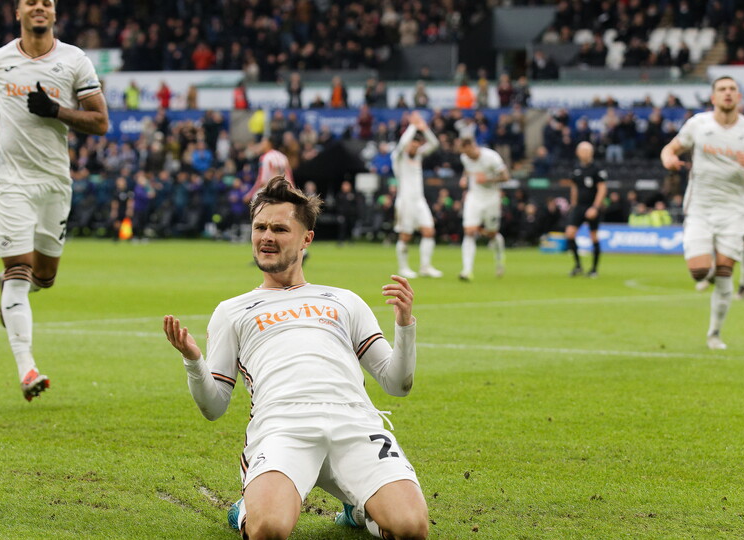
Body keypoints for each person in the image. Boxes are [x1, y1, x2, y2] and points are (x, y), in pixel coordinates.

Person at [163, 177, 428, 540]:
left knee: (411, 529)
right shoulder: (232, 311)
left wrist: (404, 325)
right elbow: (214, 407)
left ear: (307, 238)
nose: (266, 236)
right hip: (282, 426)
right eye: (260, 227)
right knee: (269, 530)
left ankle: (358, 509)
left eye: (279, 228)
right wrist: (194, 360)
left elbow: (397, 385)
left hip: (354, 422)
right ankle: (246, 510)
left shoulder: (343, 300)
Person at [0, 0, 109, 400]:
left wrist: (57, 111)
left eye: (46, 2)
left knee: (44, 276)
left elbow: (101, 121)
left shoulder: (74, 61)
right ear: (18, 11)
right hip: (10, 178)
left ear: (55, 12)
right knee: (19, 271)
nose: (39, 8)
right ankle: (27, 369)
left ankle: (11, 289)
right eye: (32, 2)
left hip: (54, 181)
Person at [661, 76, 744, 350]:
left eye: (732, 89)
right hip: (700, 206)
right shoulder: (698, 124)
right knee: (700, 272)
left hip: (735, 209)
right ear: (713, 97)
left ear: (739, 97)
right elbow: (671, 148)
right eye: (722, 89)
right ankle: (712, 273)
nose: (727, 93)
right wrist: (668, 159)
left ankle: (714, 333)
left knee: (725, 272)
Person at [390, 111, 444, 279]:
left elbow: (434, 144)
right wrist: (413, 126)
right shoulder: (398, 157)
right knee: (406, 235)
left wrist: (424, 127)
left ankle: (425, 267)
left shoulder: (419, 156)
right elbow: (401, 144)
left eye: (416, 144)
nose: (414, 146)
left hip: (419, 200)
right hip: (405, 201)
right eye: (412, 144)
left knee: (429, 231)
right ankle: (403, 267)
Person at [457, 137, 510, 280]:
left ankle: (500, 261)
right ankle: (466, 271)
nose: (466, 155)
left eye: (467, 152)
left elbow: (506, 177)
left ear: (473, 146)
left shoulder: (491, 157)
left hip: (491, 198)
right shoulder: (465, 158)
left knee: (492, 234)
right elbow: (468, 170)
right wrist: (464, 178)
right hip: (474, 197)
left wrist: (487, 179)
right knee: (469, 231)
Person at [560, 141, 607, 278]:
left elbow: (602, 188)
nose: (584, 153)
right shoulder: (576, 169)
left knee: (593, 236)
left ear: (591, 152)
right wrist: (573, 204)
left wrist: (595, 207)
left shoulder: (597, 169)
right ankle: (578, 266)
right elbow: (574, 187)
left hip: (592, 206)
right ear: (577, 152)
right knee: (569, 233)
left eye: (587, 150)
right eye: (582, 150)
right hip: (579, 207)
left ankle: (594, 269)